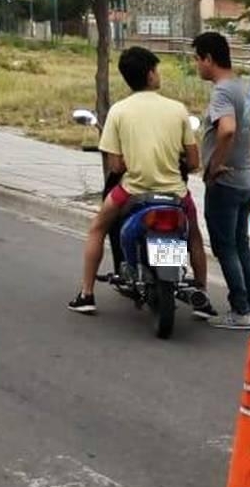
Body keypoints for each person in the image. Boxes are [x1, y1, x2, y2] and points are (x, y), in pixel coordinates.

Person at [68, 46, 213, 317]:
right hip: (176, 194)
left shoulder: (118, 111)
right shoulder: (177, 109)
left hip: (133, 191)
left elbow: (115, 166)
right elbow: (194, 162)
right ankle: (202, 296)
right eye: (157, 70)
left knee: (97, 228)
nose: (159, 74)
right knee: (194, 235)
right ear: (150, 75)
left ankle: (86, 294)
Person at [194, 31, 250, 330]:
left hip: (227, 182)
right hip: (248, 178)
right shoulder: (241, 87)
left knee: (225, 247)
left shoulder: (222, 91)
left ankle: (240, 311)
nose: (197, 65)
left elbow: (227, 129)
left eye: (197, 59)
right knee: (241, 244)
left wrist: (214, 165)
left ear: (209, 59)